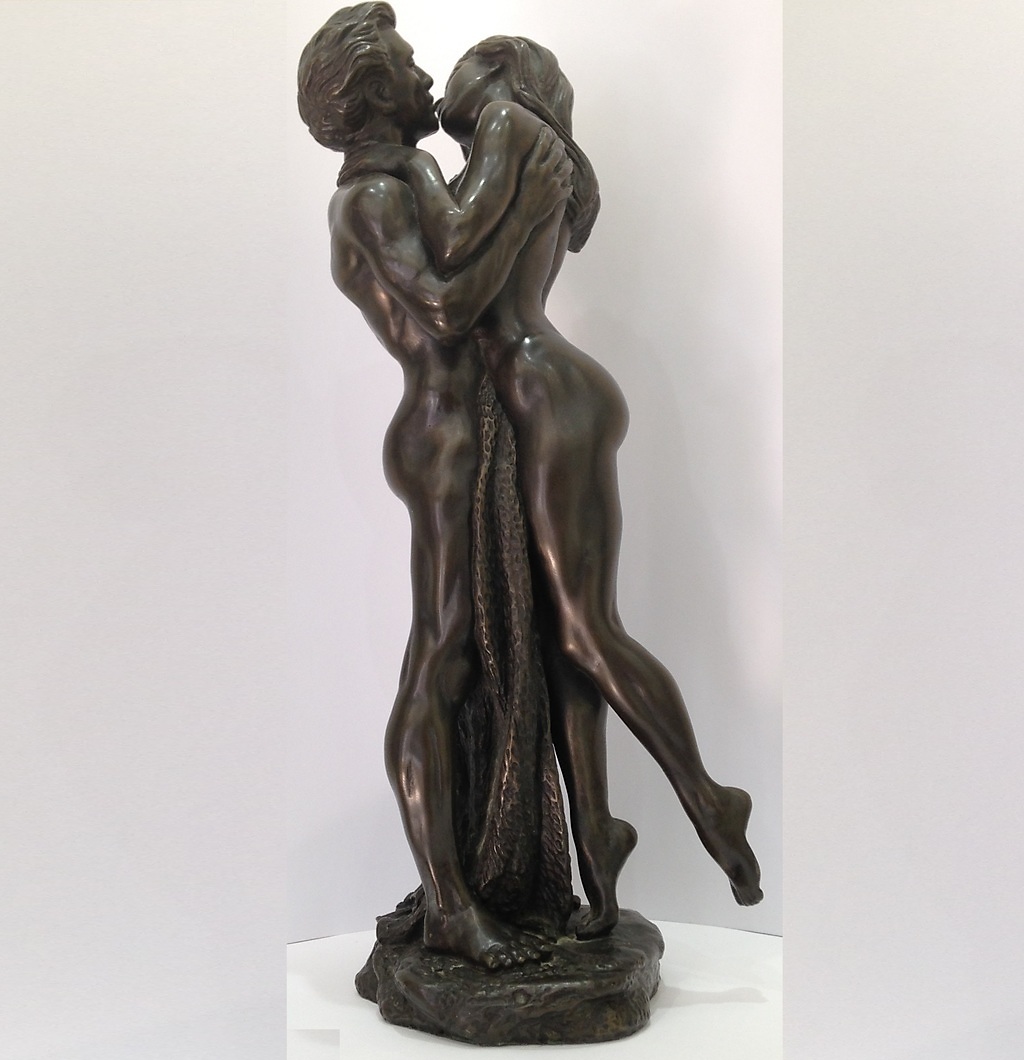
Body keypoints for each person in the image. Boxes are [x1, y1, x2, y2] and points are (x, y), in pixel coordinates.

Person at [370, 35, 764, 936]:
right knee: (554, 637)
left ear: (501, 72)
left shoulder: (509, 125)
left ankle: (708, 797)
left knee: (586, 630)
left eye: (458, 65)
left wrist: (410, 171)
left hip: (546, 393)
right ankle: (596, 836)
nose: (440, 80)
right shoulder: (508, 148)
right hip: (535, 399)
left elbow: (455, 254)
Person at [296, 6, 575, 969]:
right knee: (442, 655)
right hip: (442, 435)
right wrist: (527, 202)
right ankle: (452, 903)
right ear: (377, 92)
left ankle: (488, 870)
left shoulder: (404, 177)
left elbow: (462, 253)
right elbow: (450, 309)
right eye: (410, 65)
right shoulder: (370, 198)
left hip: (470, 428)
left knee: (477, 649)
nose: (426, 77)